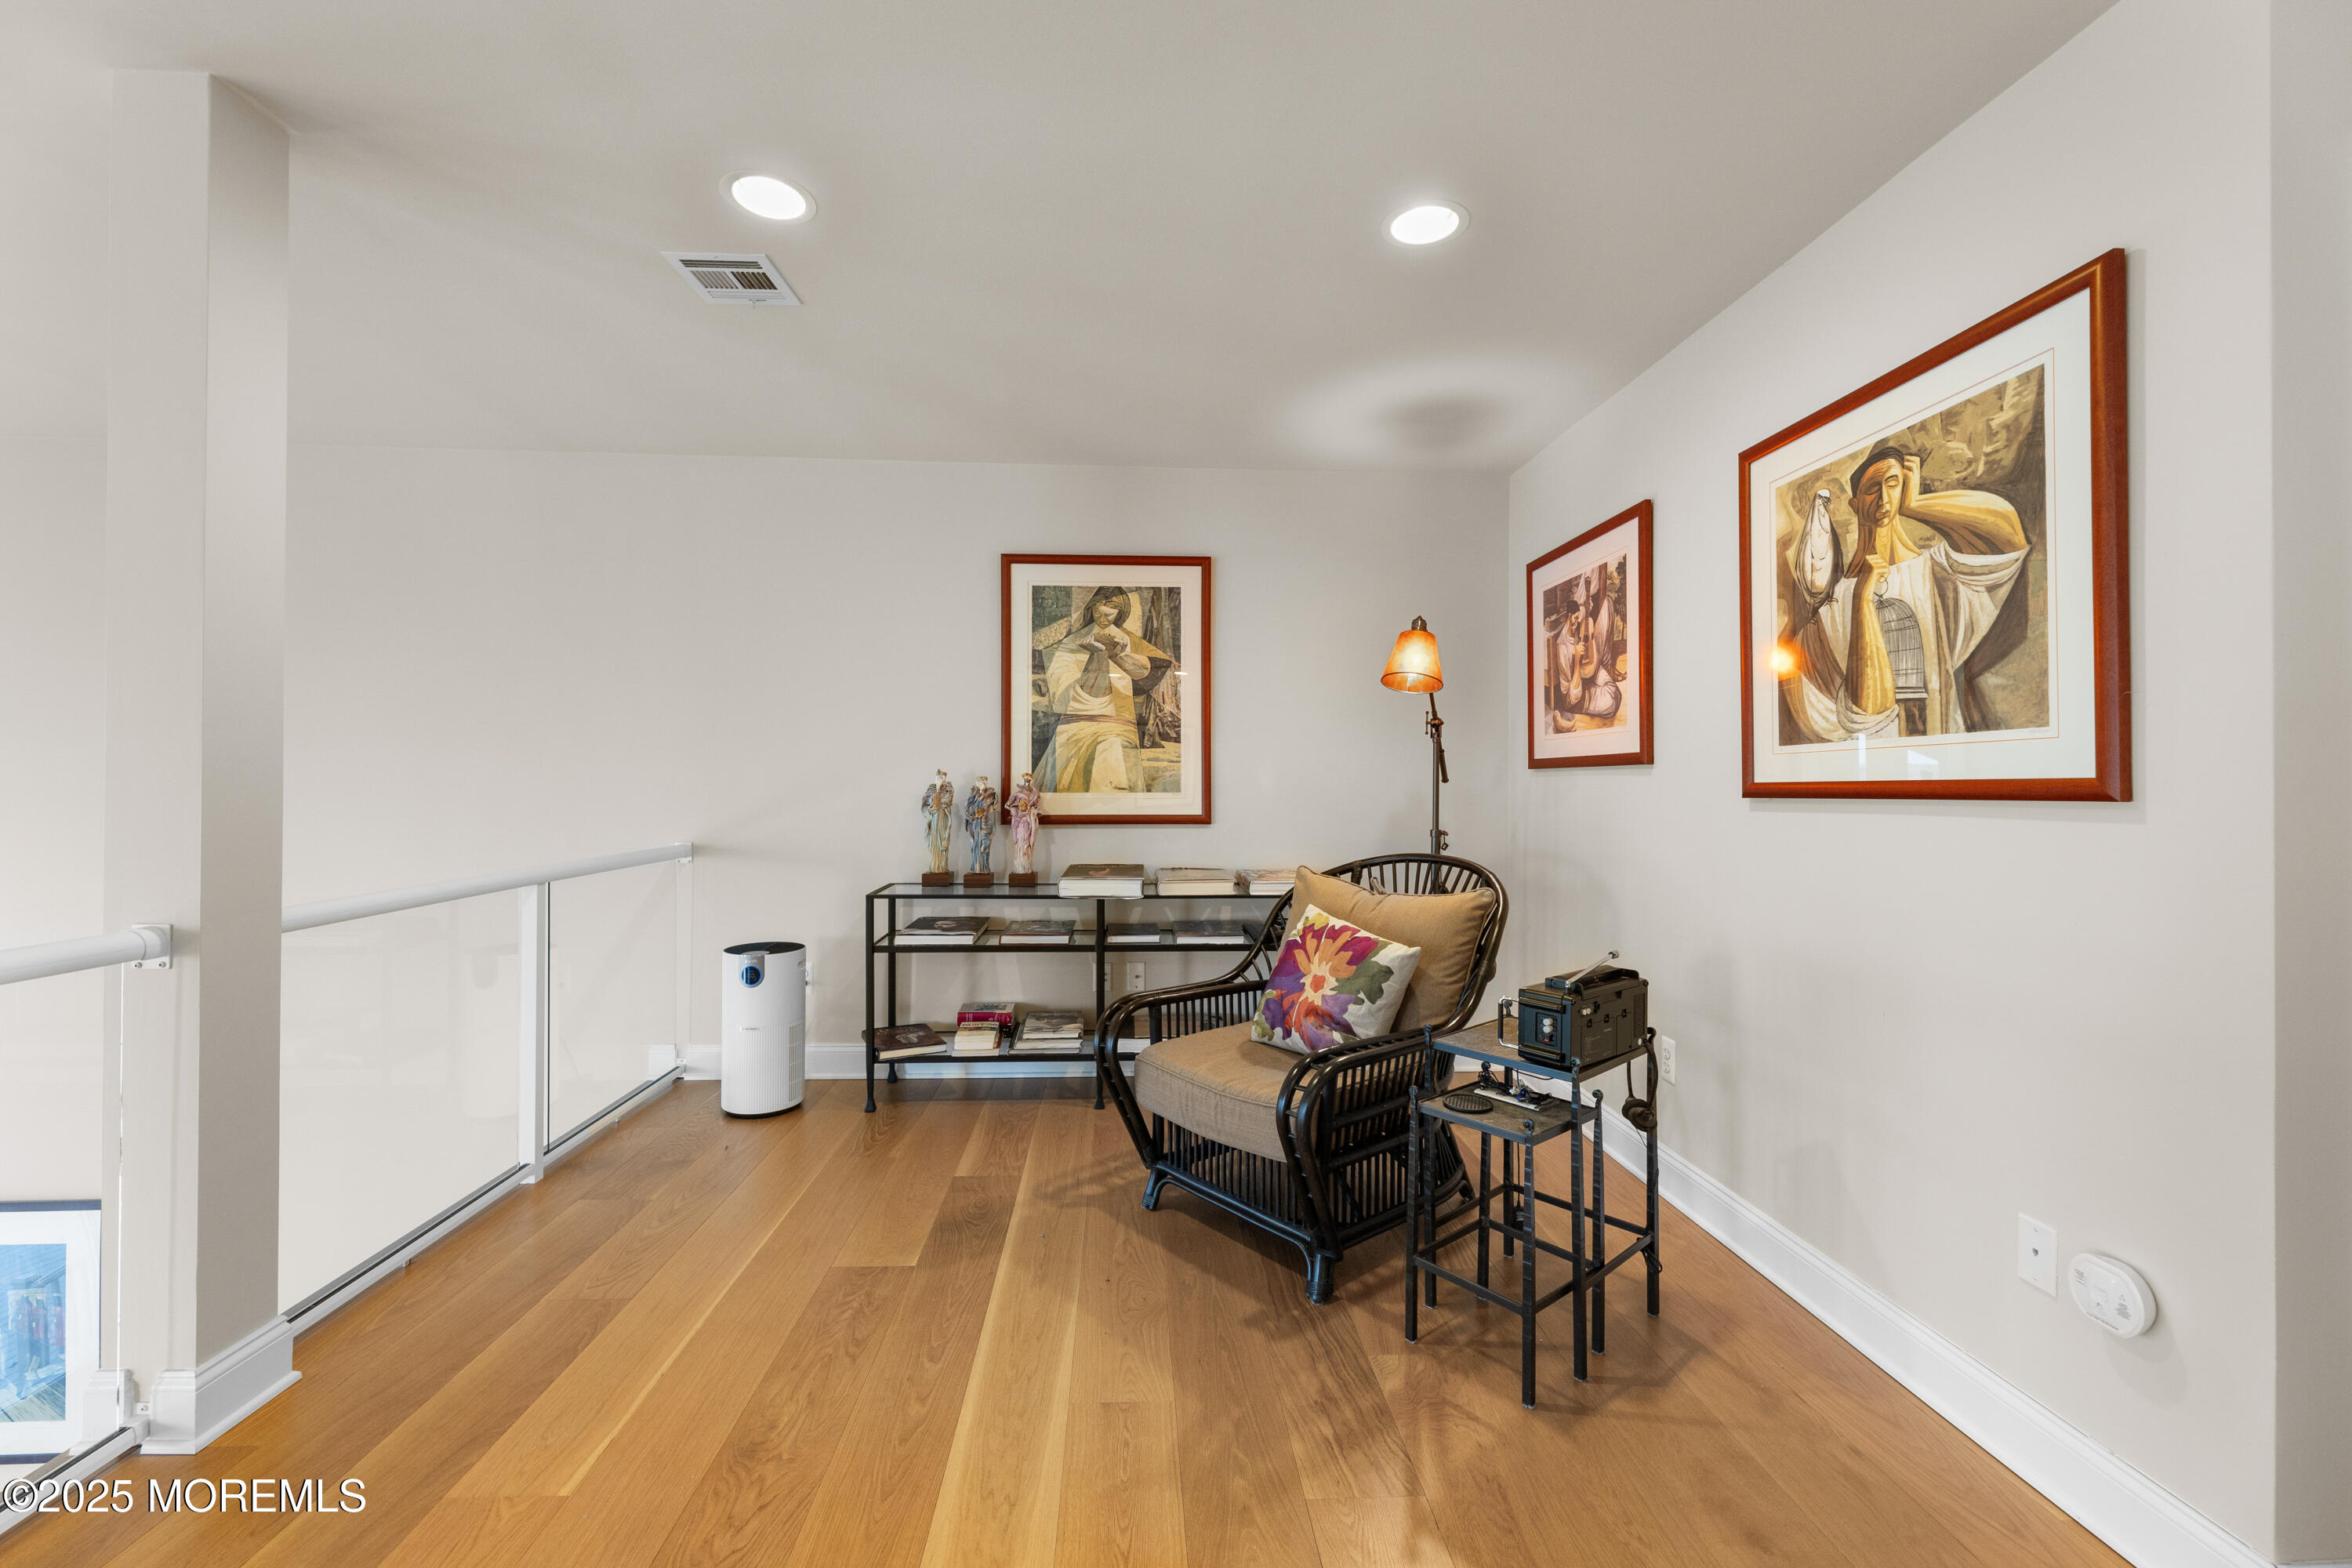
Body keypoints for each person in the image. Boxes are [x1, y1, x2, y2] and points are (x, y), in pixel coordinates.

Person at [1782, 448, 2027, 740]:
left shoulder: (1937, 571)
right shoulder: (1831, 607)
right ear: (1855, 503)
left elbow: (2008, 531)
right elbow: (1866, 711)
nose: (1884, 499)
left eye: (1893, 485)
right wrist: (1862, 597)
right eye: (1873, 488)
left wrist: (1915, 504)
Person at [1036, 590, 1173, 793]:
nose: (1102, 619)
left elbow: (1151, 669)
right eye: (1098, 612)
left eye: (1109, 615)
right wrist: (1096, 661)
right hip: (1076, 722)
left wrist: (1117, 655)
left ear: (1120, 614)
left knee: (1113, 751)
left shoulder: (1131, 641)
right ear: (1091, 609)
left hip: (1119, 725)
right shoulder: (1072, 643)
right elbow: (1062, 691)